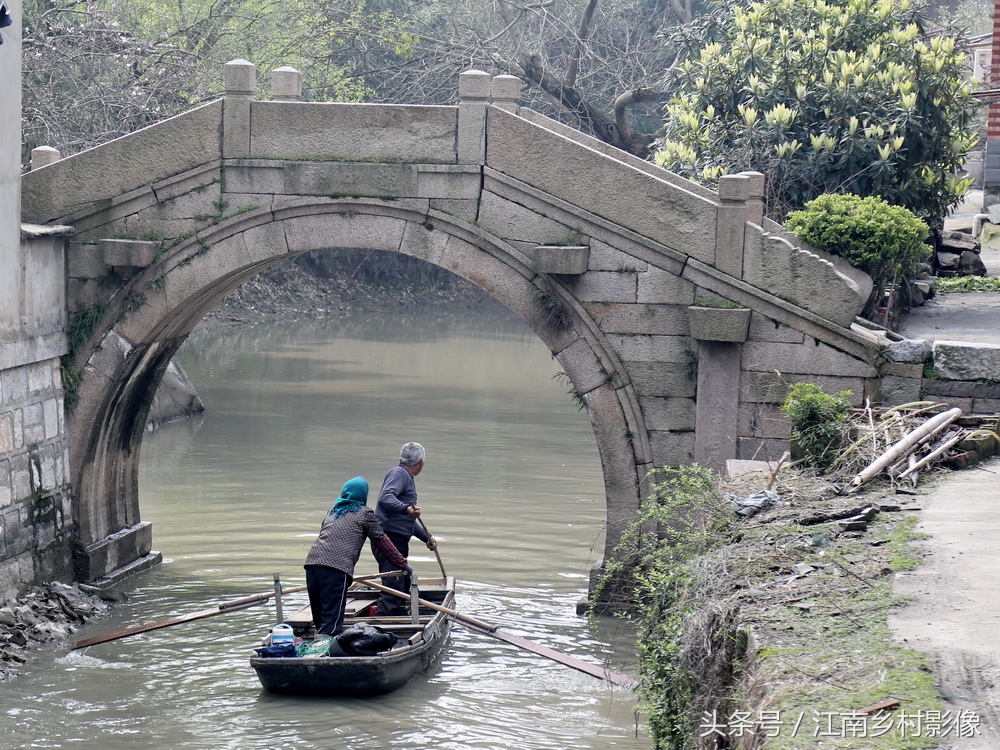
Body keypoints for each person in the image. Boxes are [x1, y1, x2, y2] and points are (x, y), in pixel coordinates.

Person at [304, 476, 411, 636]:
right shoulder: (365, 513)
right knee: (331, 624)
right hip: (336, 569)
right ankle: (324, 654)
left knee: (320, 619)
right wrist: (402, 563)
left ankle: (316, 647)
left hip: (312, 565)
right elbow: (383, 542)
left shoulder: (332, 512)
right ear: (363, 495)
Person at [371, 442, 438, 616]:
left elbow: (406, 521)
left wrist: (427, 538)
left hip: (396, 539)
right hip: (388, 539)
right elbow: (385, 497)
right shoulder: (399, 473)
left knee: (404, 584)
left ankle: (395, 620)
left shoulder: (404, 476)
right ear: (421, 462)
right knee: (394, 588)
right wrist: (407, 508)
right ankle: (378, 628)